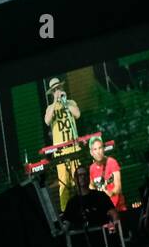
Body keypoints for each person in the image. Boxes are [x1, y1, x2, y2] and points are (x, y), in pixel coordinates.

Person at [43, 76, 81, 211]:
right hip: (60, 152)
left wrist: (65, 102)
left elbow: (77, 114)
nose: (57, 91)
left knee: (79, 180)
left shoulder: (71, 102)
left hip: (73, 148)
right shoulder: (50, 108)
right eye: (54, 90)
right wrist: (55, 101)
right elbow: (47, 121)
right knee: (64, 184)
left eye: (58, 88)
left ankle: (83, 206)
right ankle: (66, 212)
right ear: (51, 93)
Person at [87, 135, 127, 233]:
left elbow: (118, 188)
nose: (98, 151)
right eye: (95, 149)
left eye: (100, 148)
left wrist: (110, 193)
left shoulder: (112, 162)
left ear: (103, 149)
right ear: (91, 152)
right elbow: (91, 186)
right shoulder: (91, 168)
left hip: (117, 208)